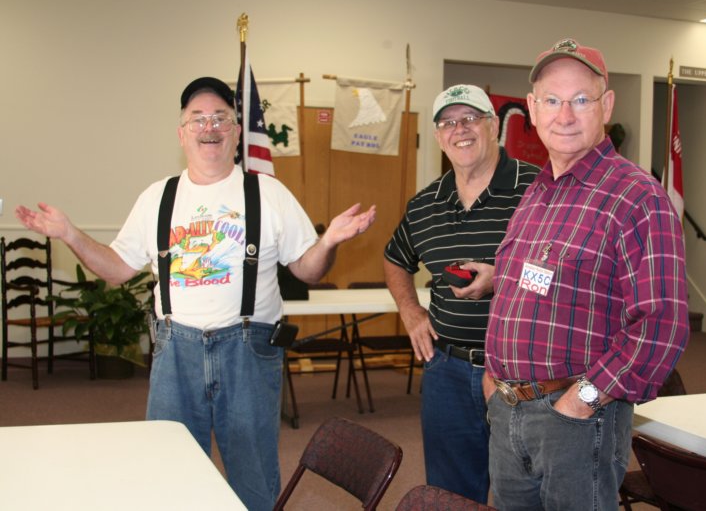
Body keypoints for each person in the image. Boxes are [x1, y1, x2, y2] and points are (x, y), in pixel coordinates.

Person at [16, 76, 376, 510]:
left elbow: (308, 270)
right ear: (182, 133)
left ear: (236, 131)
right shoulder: (157, 197)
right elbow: (116, 269)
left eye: (221, 118)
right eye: (198, 119)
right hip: (176, 352)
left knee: (253, 479)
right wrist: (70, 234)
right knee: (169, 474)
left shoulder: (269, 193)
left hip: (248, 351)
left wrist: (329, 241)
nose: (210, 127)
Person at [481, 38, 689, 511]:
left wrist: (581, 401)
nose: (565, 115)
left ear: (606, 106)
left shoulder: (638, 197)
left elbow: (662, 324)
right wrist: (494, 379)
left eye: (580, 100)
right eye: (551, 100)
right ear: (533, 109)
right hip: (508, 412)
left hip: (576, 420)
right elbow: (517, 289)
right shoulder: (537, 192)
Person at [384, 84, 539, 503]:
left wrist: (502, 277)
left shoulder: (538, 190)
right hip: (447, 371)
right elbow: (395, 259)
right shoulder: (425, 204)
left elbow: (564, 273)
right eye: (448, 123)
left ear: (493, 126)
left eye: (470, 118)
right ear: (438, 137)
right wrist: (411, 312)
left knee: (522, 492)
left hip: (521, 371)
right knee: (450, 495)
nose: (460, 129)